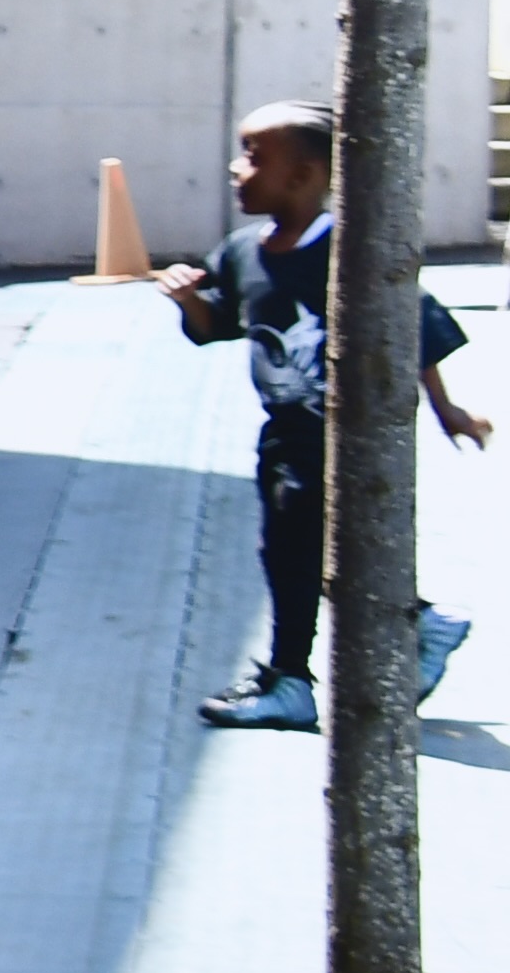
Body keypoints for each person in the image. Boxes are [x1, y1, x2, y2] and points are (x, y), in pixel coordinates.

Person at [161, 100, 488, 732]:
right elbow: (218, 323)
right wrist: (186, 299)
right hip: (282, 434)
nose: (236, 168)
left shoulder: (351, 252)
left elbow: (412, 327)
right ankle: (413, 625)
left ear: (303, 175)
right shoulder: (242, 252)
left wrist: (447, 409)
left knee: (299, 550)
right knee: (298, 551)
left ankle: (297, 676)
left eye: (254, 156)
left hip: (337, 434)